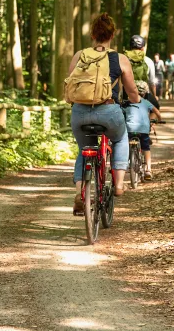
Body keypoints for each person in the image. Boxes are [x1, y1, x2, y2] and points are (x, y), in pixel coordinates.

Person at [68, 13, 140, 213]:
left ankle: (79, 192)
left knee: (84, 148)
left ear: (92, 34)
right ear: (112, 34)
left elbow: (70, 85)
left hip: (80, 112)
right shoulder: (120, 59)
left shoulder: (79, 55)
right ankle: (118, 184)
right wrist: (137, 100)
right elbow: (132, 91)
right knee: (120, 138)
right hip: (109, 111)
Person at [123, 81, 162, 181]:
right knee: (146, 148)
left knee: (125, 144)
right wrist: (159, 120)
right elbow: (157, 111)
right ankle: (148, 170)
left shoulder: (126, 103)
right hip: (143, 129)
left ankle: (126, 163)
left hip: (130, 129)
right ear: (145, 93)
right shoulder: (146, 102)